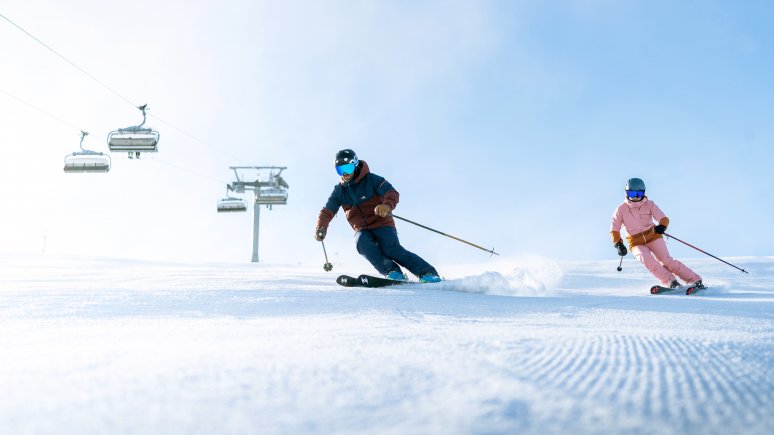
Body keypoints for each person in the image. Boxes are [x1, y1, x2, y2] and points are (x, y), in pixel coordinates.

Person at [314, 149, 441, 283]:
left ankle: (427, 273)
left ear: (355, 164)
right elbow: (327, 211)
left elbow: (392, 193)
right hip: (361, 228)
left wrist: (386, 205)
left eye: (348, 168)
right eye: (340, 170)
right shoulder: (339, 191)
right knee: (361, 243)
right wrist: (321, 227)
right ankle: (392, 271)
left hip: (382, 223)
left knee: (391, 249)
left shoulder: (372, 180)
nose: (344, 173)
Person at [610, 178, 705, 290]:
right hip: (635, 242)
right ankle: (671, 282)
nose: (635, 196)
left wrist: (662, 226)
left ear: (643, 192)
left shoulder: (649, 204)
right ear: (627, 193)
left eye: (639, 193)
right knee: (648, 261)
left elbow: (663, 218)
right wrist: (618, 244)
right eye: (632, 193)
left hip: (653, 235)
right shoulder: (621, 209)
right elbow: (614, 229)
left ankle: (695, 280)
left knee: (666, 261)